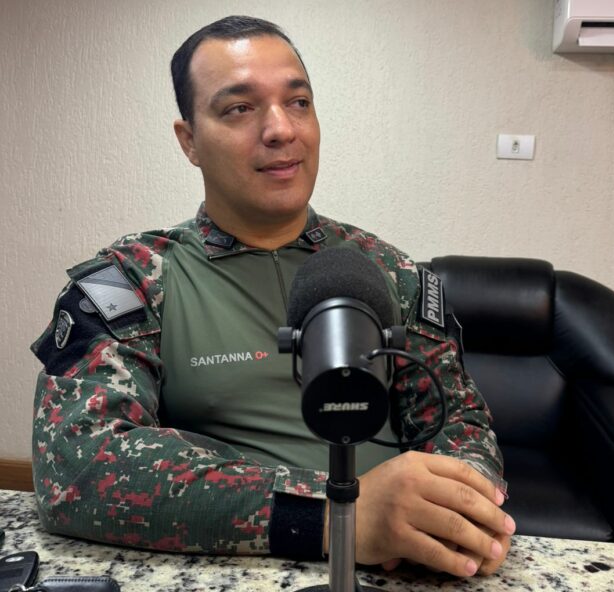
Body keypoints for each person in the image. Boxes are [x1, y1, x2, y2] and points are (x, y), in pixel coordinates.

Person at [30, 16, 514, 578]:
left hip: (400, 569)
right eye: (240, 108)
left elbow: (460, 424)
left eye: (298, 102)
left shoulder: (389, 272)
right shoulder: (132, 282)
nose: (281, 129)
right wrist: (339, 515)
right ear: (189, 141)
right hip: (237, 570)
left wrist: (452, 509)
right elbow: (78, 469)